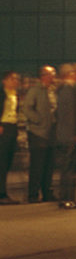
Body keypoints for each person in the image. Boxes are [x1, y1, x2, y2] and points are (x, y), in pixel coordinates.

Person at [55, 63, 76, 209]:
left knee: (66, 168)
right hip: (70, 135)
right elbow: (72, 114)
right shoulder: (70, 90)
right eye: (74, 72)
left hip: (64, 134)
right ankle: (67, 198)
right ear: (69, 74)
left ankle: (66, 198)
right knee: (69, 168)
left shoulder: (62, 90)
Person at [23, 66, 58, 203]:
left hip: (51, 132)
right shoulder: (35, 91)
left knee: (49, 165)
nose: (53, 76)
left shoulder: (53, 91)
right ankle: (33, 193)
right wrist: (38, 120)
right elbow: (27, 108)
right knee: (37, 165)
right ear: (43, 76)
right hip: (38, 133)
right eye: (51, 74)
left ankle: (47, 192)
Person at [0, 71, 21, 204]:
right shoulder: (3, 94)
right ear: (4, 81)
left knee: (7, 160)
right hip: (3, 127)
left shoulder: (15, 95)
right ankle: (2, 194)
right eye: (12, 79)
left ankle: (3, 191)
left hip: (12, 127)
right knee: (2, 161)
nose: (15, 81)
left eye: (16, 79)